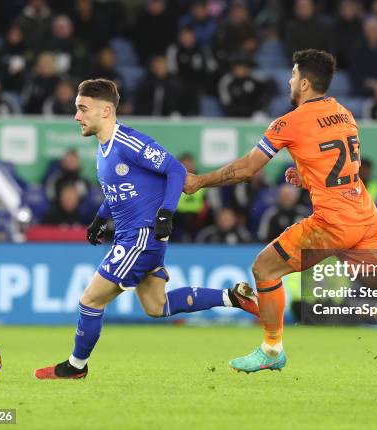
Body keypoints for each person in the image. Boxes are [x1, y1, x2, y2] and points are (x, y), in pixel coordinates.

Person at [184, 49, 377, 383]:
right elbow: (342, 167)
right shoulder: (344, 114)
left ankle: (272, 350)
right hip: (362, 214)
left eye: (292, 75)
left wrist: (199, 181)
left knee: (264, 268)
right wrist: (306, 177)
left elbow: (245, 170)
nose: (289, 81)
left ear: (303, 82)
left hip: (333, 222)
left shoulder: (289, 121)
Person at [35, 79, 259, 380]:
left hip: (140, 237)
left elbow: (176, 170)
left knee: (90, 300)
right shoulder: (103, 150)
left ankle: (76, 366)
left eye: (82, 109)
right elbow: (122, 193)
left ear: (105, 111)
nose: (76, 116)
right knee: (157, 307)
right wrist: (100, 219)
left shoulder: (128, 141)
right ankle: (232, 297)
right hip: (137, 236)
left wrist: (166, 213)